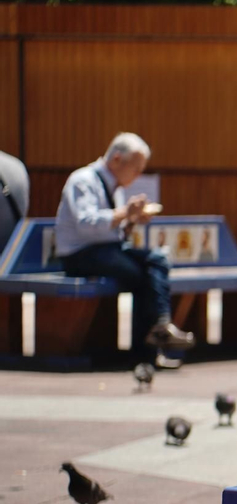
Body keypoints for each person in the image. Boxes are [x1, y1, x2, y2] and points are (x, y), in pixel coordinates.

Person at [55, 133, 193, 367]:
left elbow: (114, 233)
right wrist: (124, 213)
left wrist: (131, 221)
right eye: (136, 168)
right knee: (141, 276)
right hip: (80, 254)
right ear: (117, 159)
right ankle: (148, 350)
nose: (138, 175)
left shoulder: (114, 186)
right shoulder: (83, 181)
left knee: (158, 259)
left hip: (107, 250)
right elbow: (86, 225)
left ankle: (160, 326)